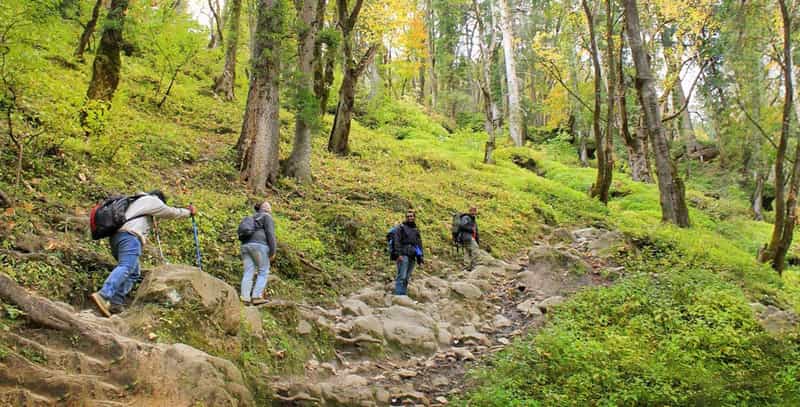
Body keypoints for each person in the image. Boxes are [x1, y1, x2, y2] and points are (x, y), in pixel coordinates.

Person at [91, 191, 196, 317]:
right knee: (126, 266)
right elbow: (170, 212)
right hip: (129, 237)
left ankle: (115, 304)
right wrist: (188, 212)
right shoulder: (152, 201)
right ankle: (103, 294)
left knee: (134, 272)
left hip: (116, 238)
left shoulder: (135, 202)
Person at [239, 201, 276, 305]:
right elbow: (270, 234)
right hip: (259, 246)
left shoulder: (251, 218)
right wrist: (273, 251)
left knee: (248, 271)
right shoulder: (266, 216)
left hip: (245, 245)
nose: (270, 206)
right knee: (263, 271)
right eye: (268, 204)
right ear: (265, 207)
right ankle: (256, 296)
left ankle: (244, 297)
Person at [390, 209, 424, 296]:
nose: (410, 218)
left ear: (414, 217)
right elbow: (397, 241)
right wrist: (398, 254)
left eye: (411, 216)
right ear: (406, 217)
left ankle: (403, 294)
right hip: (403, 255)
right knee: (402, 276)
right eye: (408, 216)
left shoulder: (416, 230)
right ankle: (398, 295)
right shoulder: (400, 228)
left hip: (412, 256)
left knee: (407, 277)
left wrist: (420, 258)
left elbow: (418, 245)